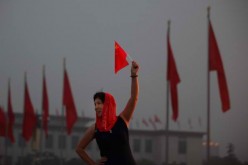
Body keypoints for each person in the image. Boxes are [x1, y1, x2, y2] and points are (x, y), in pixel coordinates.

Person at [76, 61, 139, 165]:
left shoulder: (122, 120)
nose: (96, 107)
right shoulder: (95, 128)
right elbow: (79, 149)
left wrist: (134, 75)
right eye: (95, 104)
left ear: (108, 104)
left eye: (99, 103)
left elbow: (134, 98)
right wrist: (93, 164)